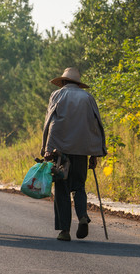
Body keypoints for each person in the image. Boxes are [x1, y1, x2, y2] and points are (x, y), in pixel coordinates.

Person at [41, 67, 107, 241]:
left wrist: (47, 149)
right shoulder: (88, 98)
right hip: (82, 151)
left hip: (60, 151)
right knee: (79, 186)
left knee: (62, 189)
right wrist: (95, 153)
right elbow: (96, 125)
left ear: (63, 82)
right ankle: (83, 216)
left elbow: (51, 123)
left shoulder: (57, 95)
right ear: (78, 83)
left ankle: (64, 231)